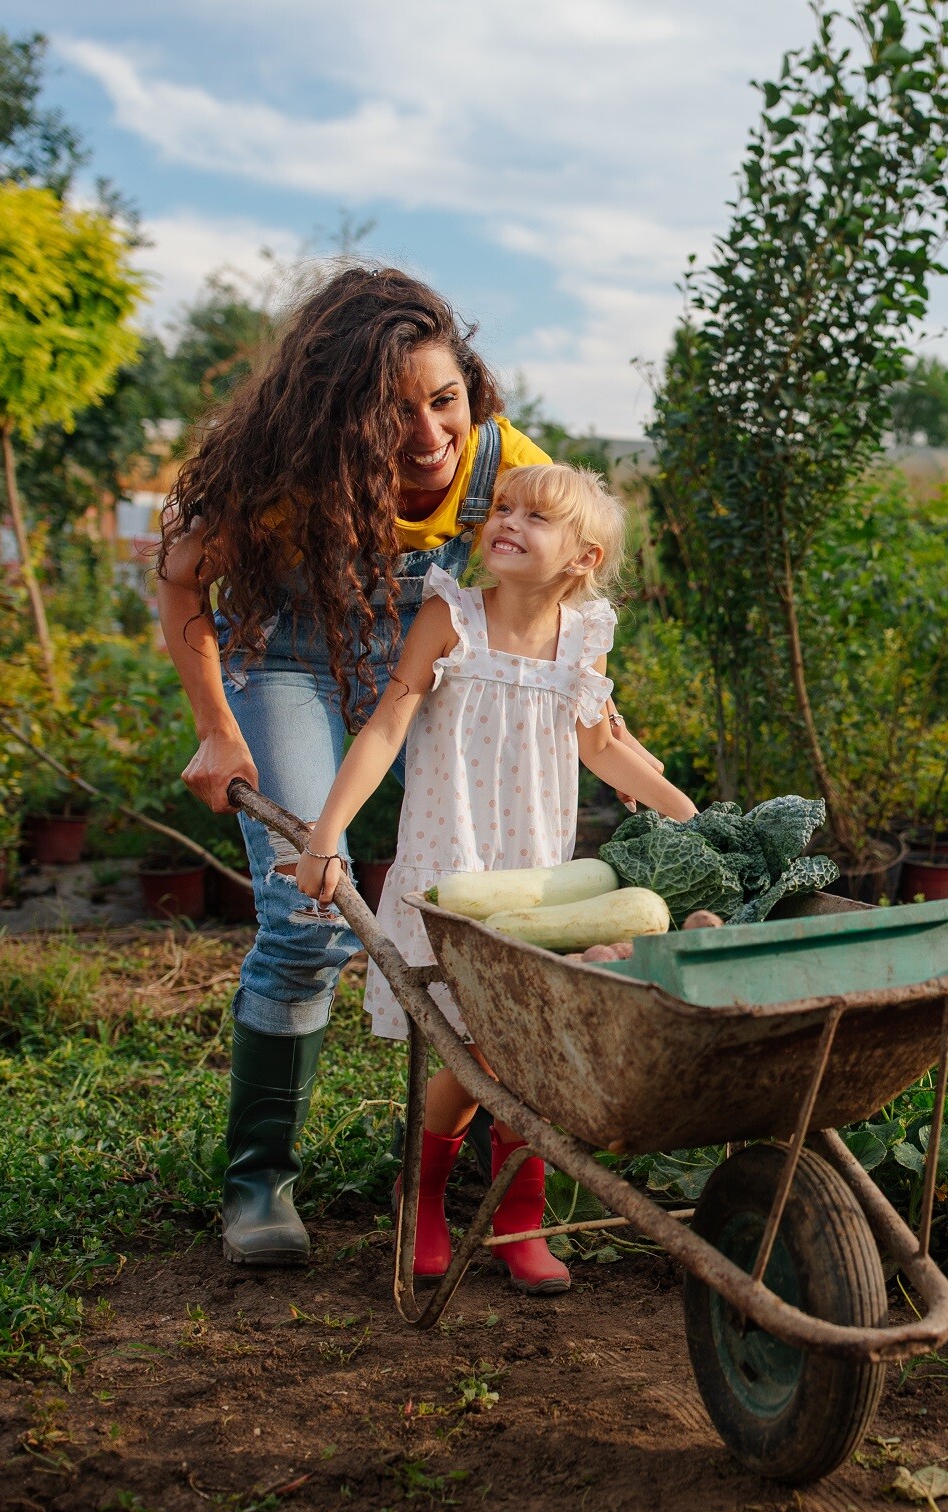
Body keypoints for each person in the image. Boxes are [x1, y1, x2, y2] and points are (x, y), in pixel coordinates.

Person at [155, 269, 662, 1268]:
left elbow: (552, 610)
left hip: (428, 648)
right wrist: (218, 728)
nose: (431, 437)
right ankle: (260, 1181)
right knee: (304, 918)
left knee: (509, 919)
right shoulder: (279, 475)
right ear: (334, 418)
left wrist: (606, 732)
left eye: (445, 400)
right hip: (292, 658)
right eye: (393, 415)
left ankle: (461, 1181)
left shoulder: (503, 461)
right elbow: (181, 576)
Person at [293, 463, 696, 1292]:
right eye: (501, 509)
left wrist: (691, 816)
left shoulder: (585, 637)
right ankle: (427, 1195)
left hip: (538, 880)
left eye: (534, 518)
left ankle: (518, 1221)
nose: (505, 522)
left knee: (530, 1045)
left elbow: (600, 744)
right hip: (458, 869)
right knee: (478, 1047)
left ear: (582, 559)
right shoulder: (451, 617)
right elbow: (387, 722)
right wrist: (326, 832)